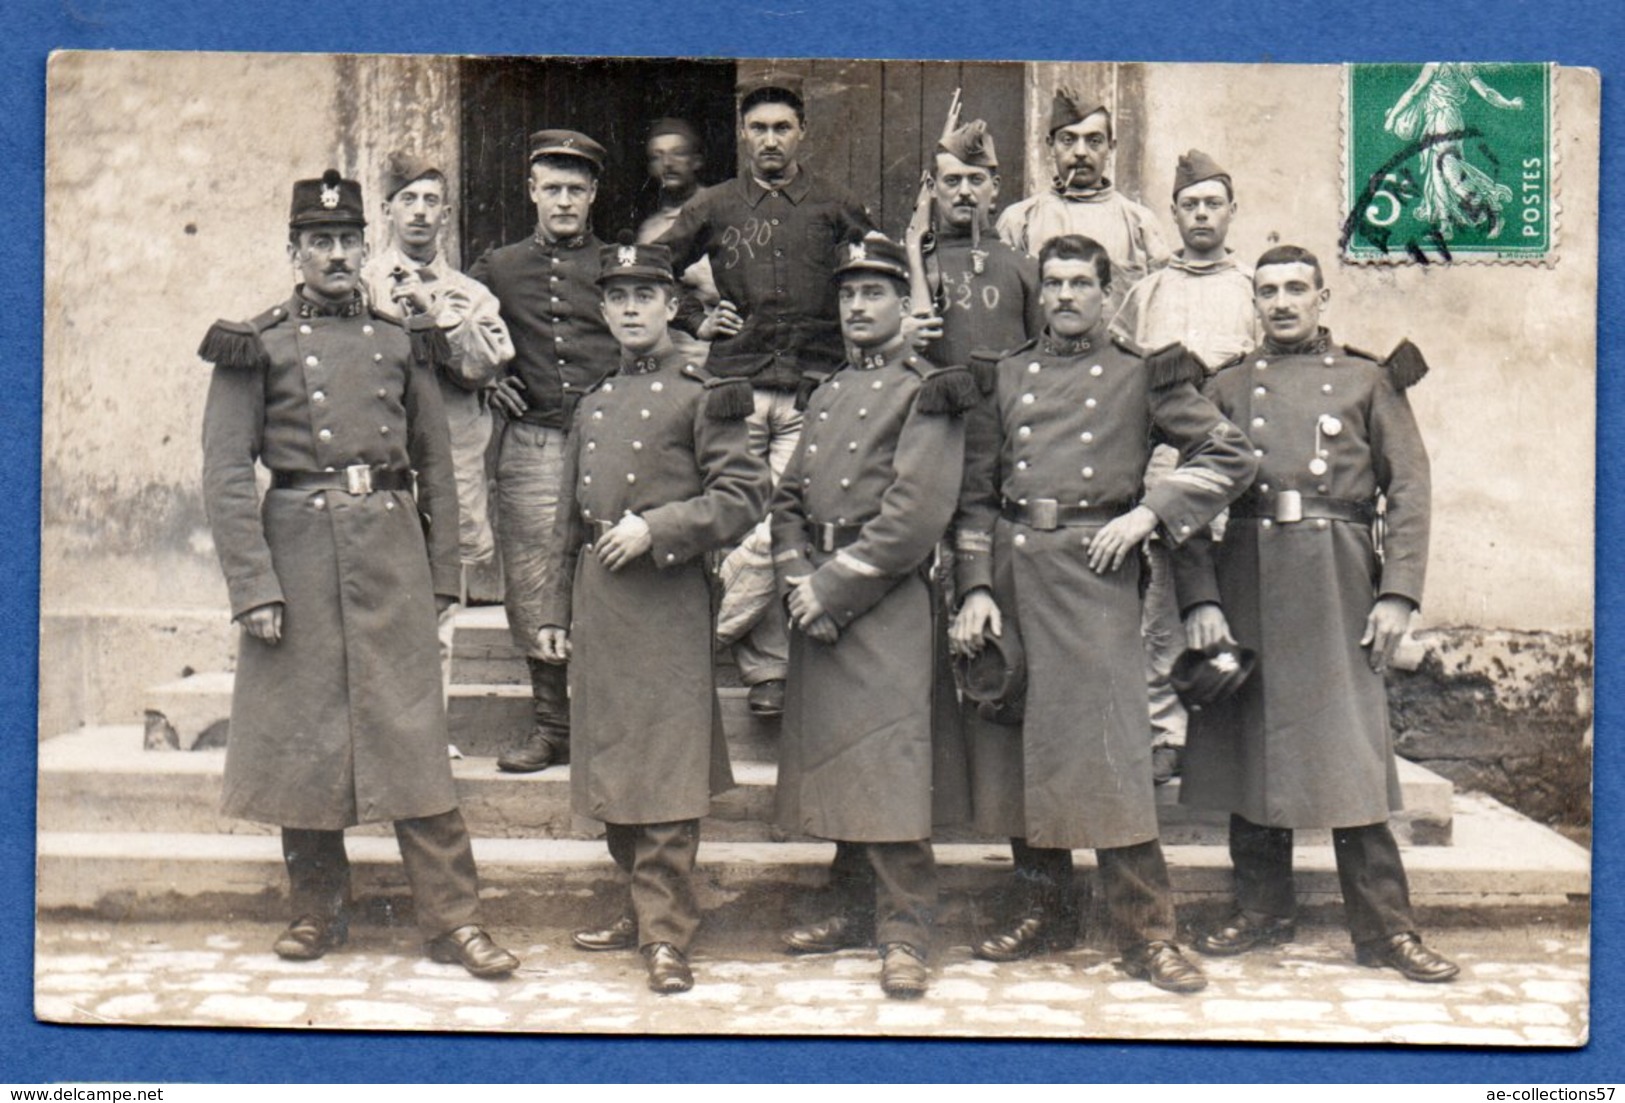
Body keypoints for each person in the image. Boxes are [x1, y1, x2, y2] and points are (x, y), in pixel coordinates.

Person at [198, 169, 518, 978]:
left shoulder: (395, 337)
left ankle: (453, 921)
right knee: (305, 739)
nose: (336, 255)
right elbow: (228, 474)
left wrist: (443, 576)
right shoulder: (255, 341)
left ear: (362, 247)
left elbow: (436, 467)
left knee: (413, 738)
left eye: (347, 241)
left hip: (388, 552)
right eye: (320, 242)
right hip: (298, 556)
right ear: (294, 250)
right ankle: (316, 910)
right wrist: (254, 587)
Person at [948, 234, 1255, 992]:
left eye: (1080, 282)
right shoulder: (1004, 374)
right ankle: (1043, 908)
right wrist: (976, 585)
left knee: (1111, 753)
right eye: (1051, 282)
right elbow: (976, 495)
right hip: (1017, 569)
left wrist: (1150, 514)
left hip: (1098, 571)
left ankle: (1148, 932)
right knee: (1022, 748)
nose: (1063, 296)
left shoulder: (1140, 375)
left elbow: (1230, 454)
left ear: (1106, 292)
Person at [1173, 245, 1460, 983]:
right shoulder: (1225, 386)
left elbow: (1411, 487)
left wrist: (1398, 590)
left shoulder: (1367, 379)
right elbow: (1189, 497)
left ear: (1321, 297)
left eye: (1295, 288)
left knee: (1349, 752)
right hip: (1244, 571)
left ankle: (1385, 929)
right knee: (1252, 741)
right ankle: (1262, 908)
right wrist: (1200, 596)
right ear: (1254, 302)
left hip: (1337, 578)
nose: (1281, 302)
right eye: (1266, 290)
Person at [537, 241, 769, 995]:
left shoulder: (706, 391)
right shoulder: (595, 401)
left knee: (665, 767)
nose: (632, 308)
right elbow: (566, 521)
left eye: (646, 295)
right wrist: (550, 608)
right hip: (599, 602)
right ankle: (639, 907)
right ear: (603, 311)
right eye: (618, 296)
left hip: (667, 599)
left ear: (673, 306)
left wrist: (658, 528)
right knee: (611, 760)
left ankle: (667, 932)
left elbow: (741, 496)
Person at [770, 232, 974, 999]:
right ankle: (853, 907)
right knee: (841, 762)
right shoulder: (825, 393)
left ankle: (906, 932)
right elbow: (786, 498)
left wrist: (832, 588)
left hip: (881, 602)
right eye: (848, 294)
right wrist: (797, 577)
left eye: (874, 293)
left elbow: (915, 514)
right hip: (818, 592)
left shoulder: (926, 388)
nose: (857, 306)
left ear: (902, 305)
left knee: (889, 768)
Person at [658, 73, 878, 719]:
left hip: (812, 387)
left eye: (782, 127)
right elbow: (650, 268)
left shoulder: (835, 204)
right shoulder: (715, 206)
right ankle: (763, 668)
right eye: (758, 128)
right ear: (742, 136)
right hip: (737, 389)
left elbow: (880, 271)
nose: (770, 140)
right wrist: (694, 319)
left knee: (775, 526)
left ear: (801, 132)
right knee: (736, 520)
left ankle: (725, 649)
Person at [469, 130, 619, 773]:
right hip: (531, 444)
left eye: (575, 190)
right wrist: (485, 377)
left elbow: (678, 319)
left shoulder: (619, 263)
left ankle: (610, 726)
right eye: (551, 189)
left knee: (611, 572)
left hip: (610, 442)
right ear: (531, 192)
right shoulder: (497, 267)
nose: (563, 201)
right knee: (533, 579)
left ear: (593, 195)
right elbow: (454, 331)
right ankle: (552, 727)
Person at [1110, 149, 1260, 783]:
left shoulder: (1255, 288)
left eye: (1212, 204)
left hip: (1240, 457)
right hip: (1170, 456)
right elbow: (1123, 371)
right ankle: (1165, 729)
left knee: (1238, 586)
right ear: (1172, 214)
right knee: (1168, 594)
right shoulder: (1149, 291)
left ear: (1232, 211)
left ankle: (1239, 727)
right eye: (1190, 205)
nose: (1201, 215)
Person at [360, 151, 513, 705]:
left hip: (448, 462)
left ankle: (431, 729)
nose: (420, 213)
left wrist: (437, 313)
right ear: (387, 210)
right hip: (381, 462)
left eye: (430, 202)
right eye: (408, 201)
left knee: (442, 601)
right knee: (378, 594)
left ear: (445, 213)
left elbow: (486, 364)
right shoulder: (361, 285)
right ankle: (385, 724)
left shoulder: (471, 295)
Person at [995, 86, 1169, 313]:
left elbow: (1160, 308)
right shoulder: (1019, 220)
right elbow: (1004, 305)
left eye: (1094, 141)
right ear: (1050, 145)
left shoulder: (1140, 222)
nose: (1080, 152)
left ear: (1111, 147)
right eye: (1068, 140)